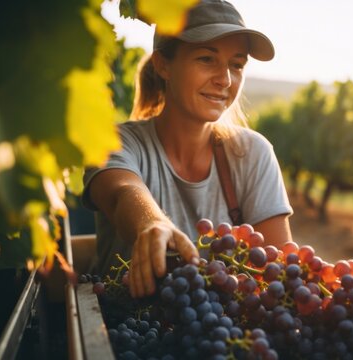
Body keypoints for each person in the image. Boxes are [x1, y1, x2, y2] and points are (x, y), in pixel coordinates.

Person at [83, 0, 293, 298]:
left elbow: (279, 273)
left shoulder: (253, 153)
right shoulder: (115, 141)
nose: (225, 79)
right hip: (125, 334)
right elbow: (122, 193)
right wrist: (151, 225)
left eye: (237, 64)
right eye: (207, 59)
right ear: (163, 64)